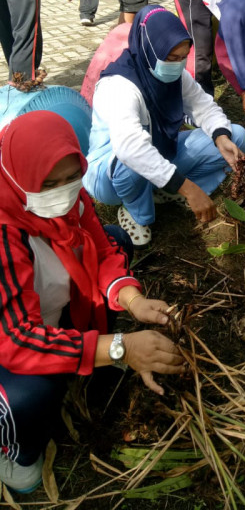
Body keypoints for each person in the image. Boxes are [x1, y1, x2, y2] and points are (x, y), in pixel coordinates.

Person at [0, 111, 184, 494]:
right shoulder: (5, 232)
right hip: (9, 337)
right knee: (32, 392)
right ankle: (13, 450)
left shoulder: (70, 202)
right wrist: (120, 348)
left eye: (71, 178)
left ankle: (84, 352)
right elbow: (17, 338)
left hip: (44, 307)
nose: (64, 192)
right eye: (48, 184)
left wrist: (132, 300)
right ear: (17, 178)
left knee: (117, 237)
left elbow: (100, 250)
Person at [83, 5, 245, 246]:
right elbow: (131, 148)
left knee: (237, 136)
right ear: (150, 50)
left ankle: (166, 189)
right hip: (109, 174)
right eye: (171, 59)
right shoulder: (119, 86)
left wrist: (221, 138)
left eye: (183, 58)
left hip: (159, 151)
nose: (178, 65)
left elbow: (203, 106)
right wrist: (188, 188)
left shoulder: (173, 75)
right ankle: (137, 212)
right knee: (132, 163)